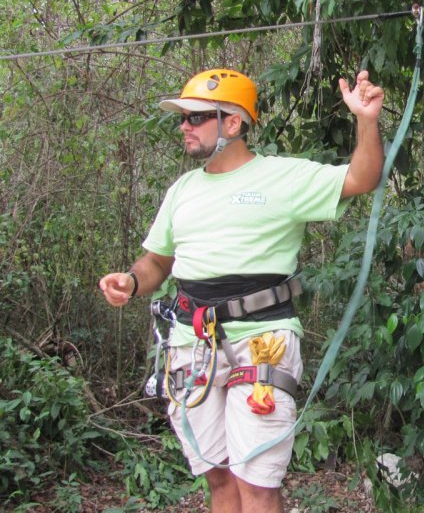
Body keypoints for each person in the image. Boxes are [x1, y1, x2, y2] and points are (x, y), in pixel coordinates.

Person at [99, 68, 384, 513]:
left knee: (257, 482)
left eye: (196, 118)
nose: (184, 127)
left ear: (233, 124)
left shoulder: (282, 177)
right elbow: (157, 261)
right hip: (191, 344)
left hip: (262, 341)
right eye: (183, 119)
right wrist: (131, 281)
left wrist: (366, 119)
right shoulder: (183, 191)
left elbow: (360, 179)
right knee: (219, 478)